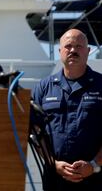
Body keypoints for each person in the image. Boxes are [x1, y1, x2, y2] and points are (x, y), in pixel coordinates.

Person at [32, 29, 102, 190]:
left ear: (88, 51)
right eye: (68, 46)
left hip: (96, 179)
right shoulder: (43, 88)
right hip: (55, 180)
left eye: (79, 46)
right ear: (60, 51)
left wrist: (93, 165)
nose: (73, 50)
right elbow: (35, 133)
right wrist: (53, 163)